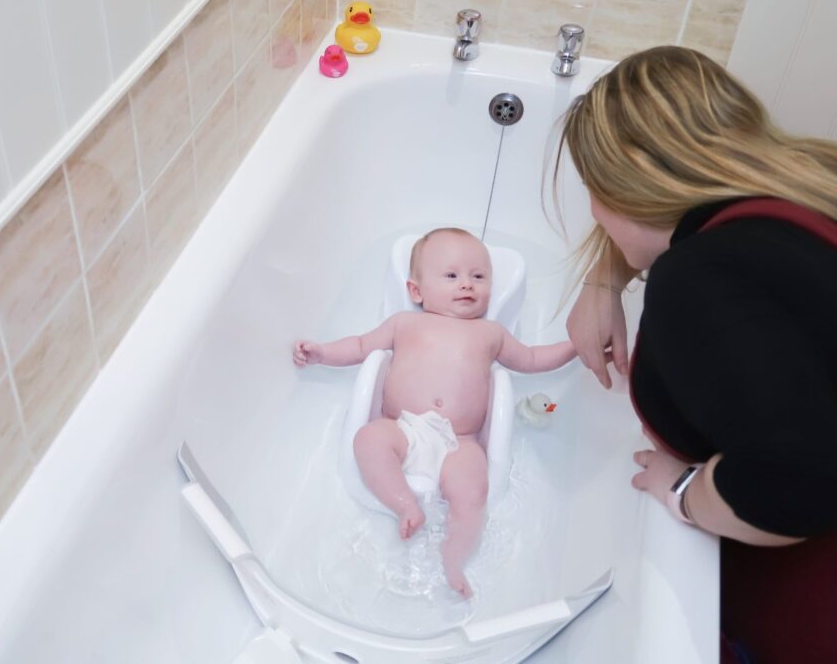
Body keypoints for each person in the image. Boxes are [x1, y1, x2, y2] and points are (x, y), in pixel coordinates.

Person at [554, 45, 837, 663]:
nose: (595, 213)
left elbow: (800, 482)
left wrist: (686, 493)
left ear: (627, 184)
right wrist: (605, 275)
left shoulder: (698, 281)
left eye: (593, 192)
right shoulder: (809, 182)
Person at [293, 228, 575, 597]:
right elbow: (361, 345)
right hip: (403, 427)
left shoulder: (491, 334)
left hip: (461, 441)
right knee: (368, 439)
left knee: (473, 489)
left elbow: (534, 359)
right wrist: (322, 353)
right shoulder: (405, 323)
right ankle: (404, 504)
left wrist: (575, 347)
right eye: (451, 276)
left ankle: (454, 557)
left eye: (478, 276)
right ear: (416, 291)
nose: (466, 285)